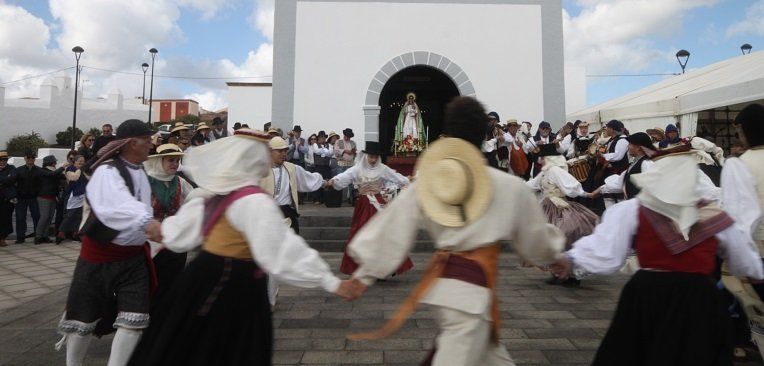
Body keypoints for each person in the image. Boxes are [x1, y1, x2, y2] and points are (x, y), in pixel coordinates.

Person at [343, 97, 565, 366]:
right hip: (467, 297)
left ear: (447, 136)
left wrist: (365, 273)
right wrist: (554, 256)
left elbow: (395, 223)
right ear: (484, 136)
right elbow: (535, 237)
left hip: (458, 289)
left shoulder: (432, 182)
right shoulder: (510, 187)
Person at [128, 128, 356, 366]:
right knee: (232, 348)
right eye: (263, 155)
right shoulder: (253, 200)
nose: (267, 160)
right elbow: (281, 249)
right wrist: (331, 282)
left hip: (201, 277)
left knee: (188, 344)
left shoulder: (215, 192)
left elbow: (182, 231)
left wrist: (163, 231)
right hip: (233, 283)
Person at [551, 150, 764, 366]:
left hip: (647, 295)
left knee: (636, 353)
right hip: (699, 298)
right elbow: (744, 261)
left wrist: (570, 260)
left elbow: (605, 251)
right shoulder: (716, 216)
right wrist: (756, 276)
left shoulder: (633, 210)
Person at [56, 119, 162, 366]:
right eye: (147, 139)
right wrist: (148, 222)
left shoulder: (140, 171)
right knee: (83, 321)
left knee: (134, 321)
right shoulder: (107, 172)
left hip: (134, 258)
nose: (151, 143)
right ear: (131, 142)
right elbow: (116, 205)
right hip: (100, 258)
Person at [326, 141, 413, 276]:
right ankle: (364, 268)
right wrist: (332, 181)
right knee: (360, 235)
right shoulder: (357, 168)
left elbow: (397, 178)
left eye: (375, 157)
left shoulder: (383, 169)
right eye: (370, 156)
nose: (372, 160)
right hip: (363, 205)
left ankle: (382, 269)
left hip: (378, 205)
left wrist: (408, 180)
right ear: (366, 156)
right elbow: (345, 176)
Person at [526, 145, 598, 286]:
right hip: (547, 207)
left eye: (541, 157)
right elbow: (532, 185)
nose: (539, 160)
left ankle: (572, 275)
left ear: (547, 158)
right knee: (549, 240)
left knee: (565, 236)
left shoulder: (555, 170)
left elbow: (572, 185)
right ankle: (558, 272)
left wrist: (585, 194)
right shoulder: (545, 172)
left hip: (558, 207)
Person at [143, 143, 194, 308]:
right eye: (170, 160)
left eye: (177, 160)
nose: (175, 164)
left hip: (174, 240)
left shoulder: (180, 182)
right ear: (159, 161)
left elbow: (195, 201)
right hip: (150, 241)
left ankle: (167, 311)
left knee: (173, 279)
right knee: (151, 279)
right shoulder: (145, 181)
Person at [593, 132, 656, 206]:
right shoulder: (635, 163)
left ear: (638, 148)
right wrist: (600, 190)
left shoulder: (646, 163)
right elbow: (620, 182)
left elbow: (653, 188)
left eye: (630, 144)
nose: (628, 147)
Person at [56, 155, 88, 244]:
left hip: (83, 195)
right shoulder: (70, 168)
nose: (82, 163)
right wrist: (80, 170)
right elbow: (74, 177)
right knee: (69, 216)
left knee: (79, 216)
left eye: (83, 161)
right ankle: (61, 233)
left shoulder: (84, 170)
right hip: (73, 196)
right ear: (75, 162)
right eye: (79, 161)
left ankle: (76, 233)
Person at [35, 155, 65, 244]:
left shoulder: (54, 172)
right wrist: (63, 167)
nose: (55, 164)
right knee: (44, 217)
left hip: (52, 197)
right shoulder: (42, 171)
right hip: (43, 197)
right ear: (51, 163)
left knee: (50, 217)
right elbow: (52, 175)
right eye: (54, 162)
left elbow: (61, 176)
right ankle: (38, 236)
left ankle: (45, 235)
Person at [15, 150, 40, 243]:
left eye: (33, 157)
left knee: (37, 217)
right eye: (28, 157)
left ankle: (38, 236)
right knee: (20, 218)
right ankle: (20, 237)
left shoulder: (39, 170)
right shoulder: (18, 170)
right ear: (25, 158)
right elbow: (13, 183)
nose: (30, 159)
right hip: (21, 198)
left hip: (34, 198)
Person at [335, 128, 357, 202]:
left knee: (351, 182)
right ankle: (340, 199)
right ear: (344, 135)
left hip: (350, 164)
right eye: (346, 136)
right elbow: (336, 151)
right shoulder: (338, 141)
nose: (347, 137)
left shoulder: (353, 143)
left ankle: (351, 199)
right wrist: (345, 150)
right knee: (340, 181)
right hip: (341, 163)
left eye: (348, 136)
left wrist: (353, 153)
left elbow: (355, 152)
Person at [0, 151, 17, 247]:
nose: (2, 161)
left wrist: (4, 180)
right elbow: (9, 179)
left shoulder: (12, 168)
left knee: (6, 219)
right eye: (1, 159)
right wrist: (6, 178)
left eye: (5, 159)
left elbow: (13, 178)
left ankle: (3, 238)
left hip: (7, 199)